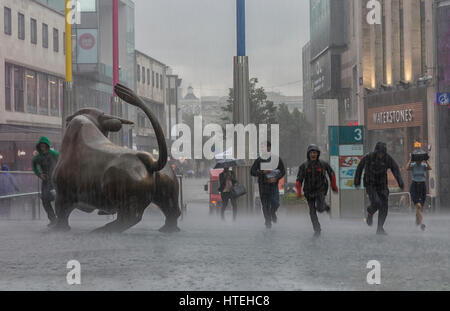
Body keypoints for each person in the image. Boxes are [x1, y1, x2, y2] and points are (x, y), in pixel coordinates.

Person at [354, 142, 404, 235]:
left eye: (382, 153)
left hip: (382, 185)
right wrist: (357, 181)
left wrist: (400, 182)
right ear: (376, 152)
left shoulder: (387, 158)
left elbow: (395, 169)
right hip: (370, 184)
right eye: (379, 153)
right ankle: (370, 212)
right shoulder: (369, 157)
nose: (381, 155)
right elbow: (360, 167)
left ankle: (380, 228)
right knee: (377, 202)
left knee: (384, 206)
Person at [296, 144, 338, 237]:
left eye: (315, 152)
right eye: (311, 153)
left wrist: (334, 186)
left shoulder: (323, 164)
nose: (313, 154)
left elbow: (332, 173)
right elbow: (299, 180)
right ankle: (317, 229)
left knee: (320, 208)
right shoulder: (304, 166)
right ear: (308, 154)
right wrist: (299, 192)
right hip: (308, 191)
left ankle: (325, 207)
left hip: (321, 189)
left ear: (318, 154)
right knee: (312, 211)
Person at [251, 141, 286, 229]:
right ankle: (267, 222)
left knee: (276, 203)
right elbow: (252, 172)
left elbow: (283, 171)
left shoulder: (276, 159)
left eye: (264, 147)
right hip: (263, 185)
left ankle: (272, 213)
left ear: (269, 148)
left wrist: (276, 178)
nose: (262, 149)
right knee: (265, 205)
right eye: (261, 148)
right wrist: (262, 172)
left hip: (273, 185)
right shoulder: (259, 160)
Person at [32, 137, 59, 227]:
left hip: (55, 180)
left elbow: (63, 159)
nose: (43, 148)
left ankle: (60, 219)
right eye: (41, 146)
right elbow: (33, 165)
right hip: (46, 181)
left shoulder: (54, 154)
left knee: (58, 198)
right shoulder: (38, 157)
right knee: (44, 200)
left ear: (47, 146)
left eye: (44, 146)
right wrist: (39, 174)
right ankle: (53, 219)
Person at [406, 157, 431, 231]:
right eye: (417, 159)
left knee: (420, 207)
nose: (419, 161)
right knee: (418, 206)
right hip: (414, 186)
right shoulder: (413, 165)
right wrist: (410, 159)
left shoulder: (424, 165)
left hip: (422, 186)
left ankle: (418, 220)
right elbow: (407, 168)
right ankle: (421, 223)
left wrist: (426, 160)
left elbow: (430, 168)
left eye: (420, 159)